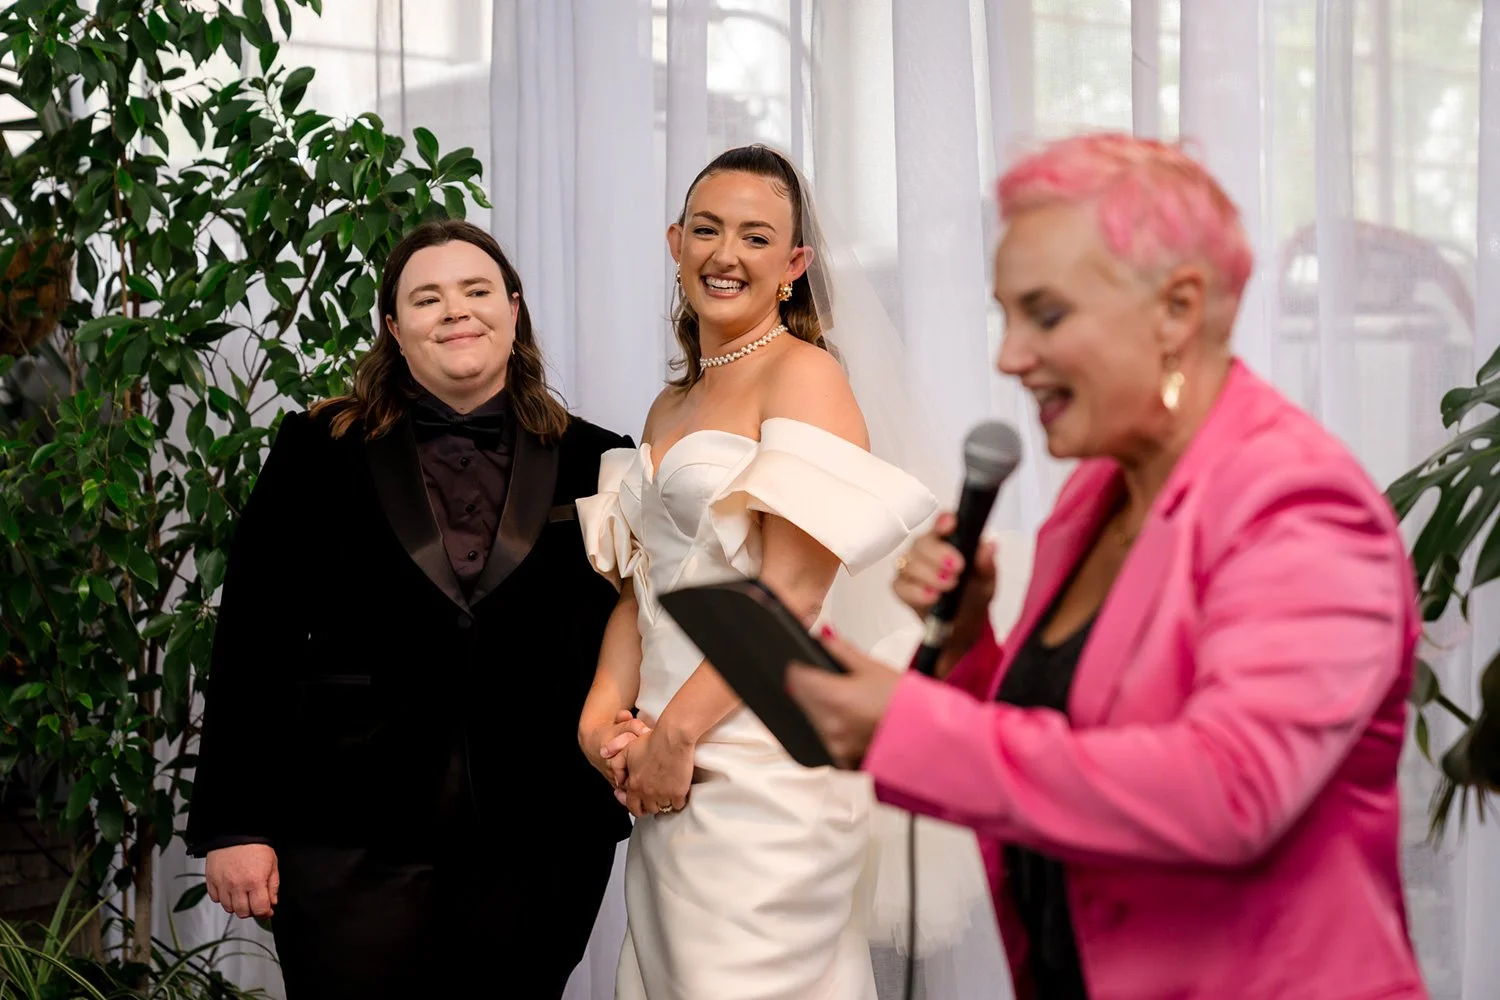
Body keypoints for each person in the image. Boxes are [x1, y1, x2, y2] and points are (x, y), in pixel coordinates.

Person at [787, 133, 1430, 1000]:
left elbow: (1229, 793)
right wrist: (973, 647)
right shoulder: (1094, 499)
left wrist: (903, 727)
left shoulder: (1300, 504)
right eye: (1005, 315)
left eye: (1045, 315)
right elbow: (1067, 762)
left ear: (1178, 307)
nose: (1009, 356)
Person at [185, 220, 637, 1000]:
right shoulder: (315, 450)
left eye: (475, 291)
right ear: (394, 329)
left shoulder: (601, 458)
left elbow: (632, 628)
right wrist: (236, 825)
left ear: (514, 307)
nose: (455, 312)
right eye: (426, 298)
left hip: (540, 836)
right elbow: (253, 639)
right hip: (344, 836)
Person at [575, 144, 954, 999]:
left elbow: (794, 591)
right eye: (706, 230)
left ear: (794, 264)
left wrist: (674, 737)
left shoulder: (807, 376)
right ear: (675, 243)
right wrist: (603, 724)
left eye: (755, 237)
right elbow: (644, 589)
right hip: (672, 778)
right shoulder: (669, 403)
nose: (725, 254)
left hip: (761, 763)